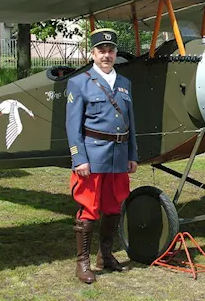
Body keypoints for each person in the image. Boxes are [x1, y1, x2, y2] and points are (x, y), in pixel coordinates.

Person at [66, 28, 138, 284]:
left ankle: (105, 255)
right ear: (92, 53)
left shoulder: (125, 84)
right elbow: (72, 127)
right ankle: (82, 263)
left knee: (114, 206)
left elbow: (131, 123)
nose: (106, 55)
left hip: (119, 156)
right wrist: (79, 159)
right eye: (101, 51)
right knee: (88, 207)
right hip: (93, 155)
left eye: (110, 51)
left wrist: (133, 155)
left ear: (115, 53)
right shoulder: (79, 83)